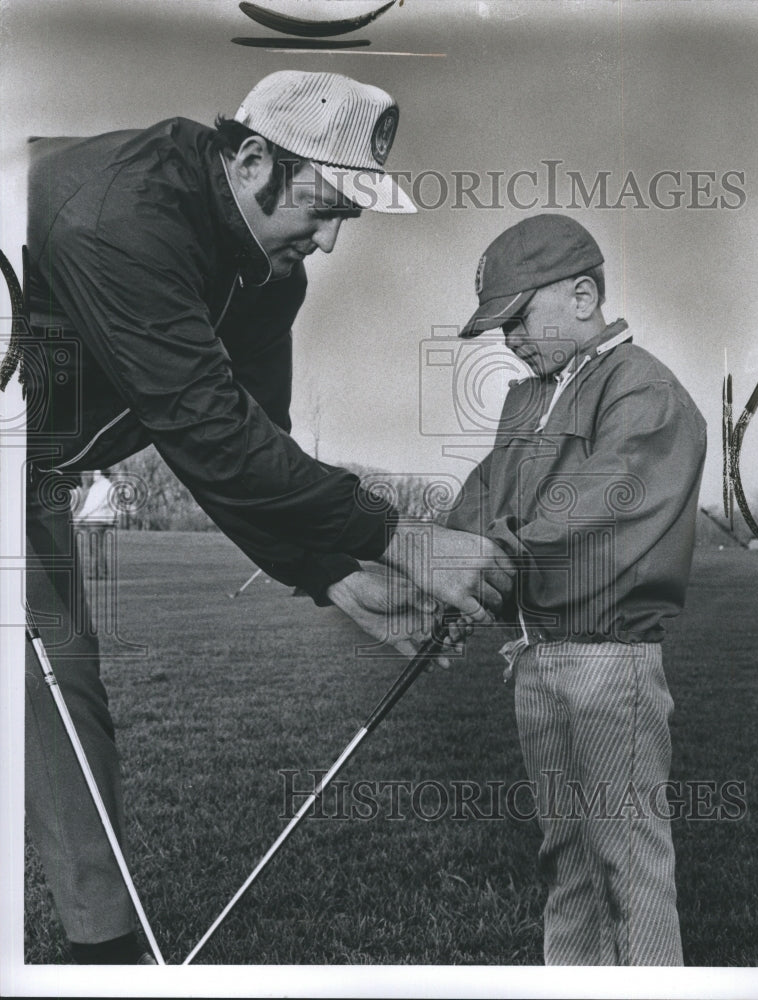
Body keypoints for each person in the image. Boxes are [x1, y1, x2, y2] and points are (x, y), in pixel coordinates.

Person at [8, 70, 513, 964]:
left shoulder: (268, 279)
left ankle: (104, 957)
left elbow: (253, 443)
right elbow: (205, 431)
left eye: (341, 224)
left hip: (35, 467)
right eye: (319, 210)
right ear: (250, 161)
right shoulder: (118, 214)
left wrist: (332, 575)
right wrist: (403, 539)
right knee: (40, 679)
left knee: (61, 688)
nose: (323, 242)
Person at [443, 214, 707, 965]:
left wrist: (486, 564)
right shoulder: (528, 399)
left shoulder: (642, 389)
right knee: (566, 861)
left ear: (583, 295)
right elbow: (484, 497)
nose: (507, 340)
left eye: (517, 317)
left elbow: (583, 520)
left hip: (607, 662)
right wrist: (437, 566)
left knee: (628, 863)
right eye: (498, 328)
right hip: (536, 656)